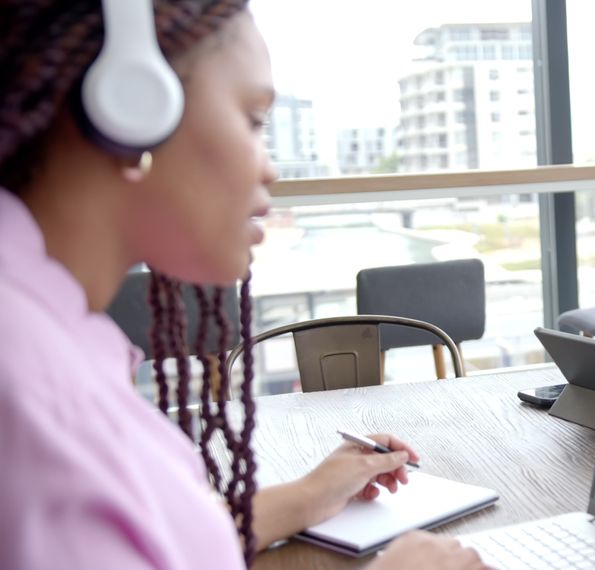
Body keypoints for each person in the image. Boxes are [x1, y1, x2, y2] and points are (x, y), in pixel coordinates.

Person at [0, 1, 486, 568]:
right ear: (130, 109)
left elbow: (144, 539)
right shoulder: (29, 388)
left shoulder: (43, 334)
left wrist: (310, 494)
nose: (270, 170)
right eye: (254, 121)